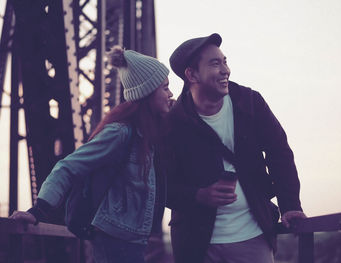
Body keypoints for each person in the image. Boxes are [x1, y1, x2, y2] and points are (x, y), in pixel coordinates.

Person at [9, 46, 173, 263]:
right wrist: (38, 211)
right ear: (147, 93)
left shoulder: (147, 137)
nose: (171, 94)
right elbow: (67, 167)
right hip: (114, 242)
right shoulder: (120, 133)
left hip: (133, 242)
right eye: (165, 88)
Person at [163, 33, 306, 263]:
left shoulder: (249, 102)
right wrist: (198, 195)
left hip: (253, 237)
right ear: (191, 74)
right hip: (196, 246)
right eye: (215, 63)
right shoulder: (174, 121)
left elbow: (279, 153)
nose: (225, 70)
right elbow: (161, 182)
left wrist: (290, 205)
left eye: (225, 61)